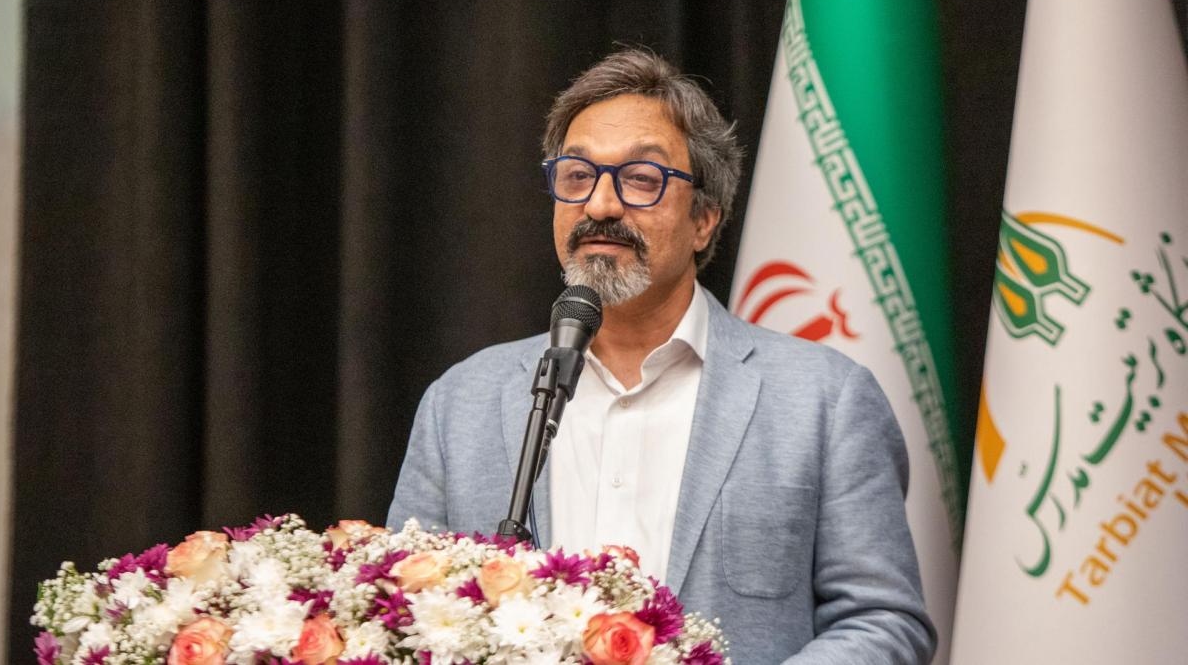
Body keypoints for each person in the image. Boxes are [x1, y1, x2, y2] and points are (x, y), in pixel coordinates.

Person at [387, 48, 936, 664]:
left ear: (704, 219)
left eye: (641, 178)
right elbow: (403, 617)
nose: (600, 205)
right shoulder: (460, 404)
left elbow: (883, 622)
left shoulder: (824, 401)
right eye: (577, 175)